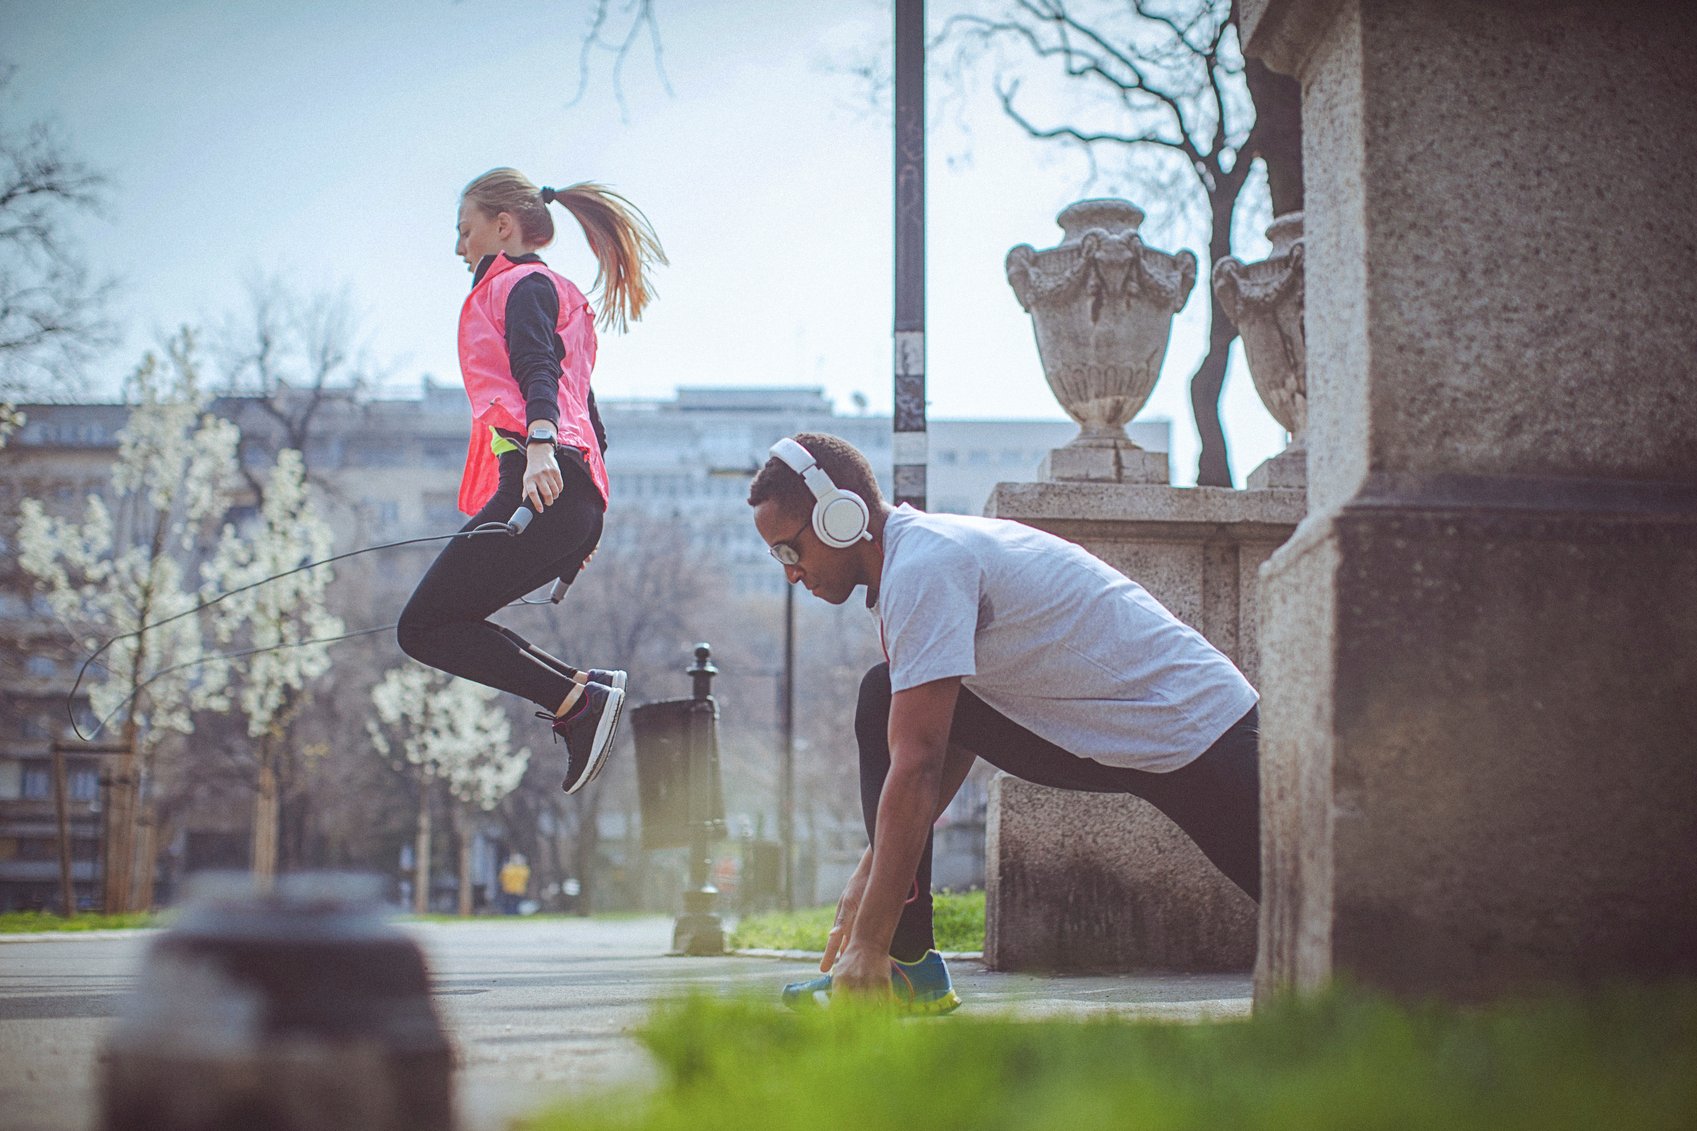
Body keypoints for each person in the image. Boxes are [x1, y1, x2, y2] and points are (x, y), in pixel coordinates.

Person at [747, 433, 1261, 1013]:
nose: (791, 574)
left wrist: (866, 939)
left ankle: (891, 959)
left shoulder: (924, 568)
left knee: (1325, 909)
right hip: (1127, 736)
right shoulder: (913, 562)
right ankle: (910, 965)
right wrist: (870, 872)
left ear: (842, 516)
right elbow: (954, 728)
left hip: (1201, 733)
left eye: (791, 551)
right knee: (883, 692)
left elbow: (918, 762)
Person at [398, 168, 666, 793]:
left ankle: (581, 702)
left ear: (502, 226)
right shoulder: (552, 292)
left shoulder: (520, 285)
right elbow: (590, 414)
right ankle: (582, 694)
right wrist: (584, 525)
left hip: (541, 480)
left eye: (464, 231)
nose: (457, 246)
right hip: (564, 492)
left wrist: (541, 446)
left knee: (421, 629)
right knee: (450, 622)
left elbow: (537, 370)